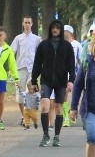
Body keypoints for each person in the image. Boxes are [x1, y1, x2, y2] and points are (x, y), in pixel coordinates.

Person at [30, 19, 75, 147]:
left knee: (58, 107)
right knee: (44, 106)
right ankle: (45, 135)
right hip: (46, 80)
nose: (55, 30)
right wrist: (34, 81)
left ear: (61, 30)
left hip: (61, 81)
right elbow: (37, 64)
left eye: (57, 28)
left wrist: (71, 80)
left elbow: (71, 65)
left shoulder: (66, 46)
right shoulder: (43, 45)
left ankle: (57, 136)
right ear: (50, 30)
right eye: (53, 28)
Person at [11, 16, 42, 125]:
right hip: (20, 69)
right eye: (25, 22)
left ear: (32, 24)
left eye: (29, 22)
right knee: (20, 95)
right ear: (23, 24)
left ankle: (29, 114)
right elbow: (11, 52)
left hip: (32, 69)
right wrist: (11, 68)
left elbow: (41, 53)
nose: (27, 24)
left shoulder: (37, 39)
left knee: (30, 91)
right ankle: (23, 115)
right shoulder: (18, 38)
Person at [62, 25, 82, 127]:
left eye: (65, 31)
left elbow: (80, 60)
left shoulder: (77, 45)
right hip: (63, 73)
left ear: (70, 33)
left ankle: (73, 112)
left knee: (74, 95)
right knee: (64, 95)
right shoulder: (60, 44)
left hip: (74, 73)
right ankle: (65, 117)